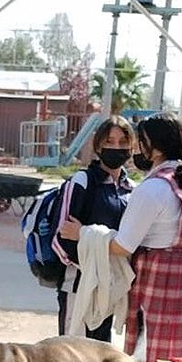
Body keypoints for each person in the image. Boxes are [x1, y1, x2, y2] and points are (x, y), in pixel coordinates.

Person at [90, 112, 182, 362]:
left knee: (148, 356)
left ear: (151, 145)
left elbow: (123, 246)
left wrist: (87, 236)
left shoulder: (153, 188)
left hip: (157, 278)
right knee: (180, 360)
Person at [52, 115, 134, 338]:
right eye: (109, 141)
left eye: (122, 142)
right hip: (77, 286)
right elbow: (59, 238)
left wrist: (86, 236)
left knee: (100, 356)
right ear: (98, 145)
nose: (116, 147)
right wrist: (89, 268)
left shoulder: (131, 190)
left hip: (109, 288)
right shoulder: (82, 182)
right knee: (70, 357)